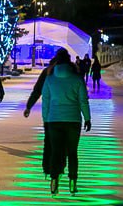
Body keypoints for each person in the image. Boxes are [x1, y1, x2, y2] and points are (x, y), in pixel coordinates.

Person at [23, 48, 91, 195]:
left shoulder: (49, 78)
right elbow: (83, 101)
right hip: (73, 121)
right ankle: (73, 182)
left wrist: (46, 119)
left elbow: (45, 101)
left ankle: (54, 182)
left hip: (54, 120)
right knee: (72, 152)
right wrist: (87, 118)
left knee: (56, 151)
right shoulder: (77, 78)